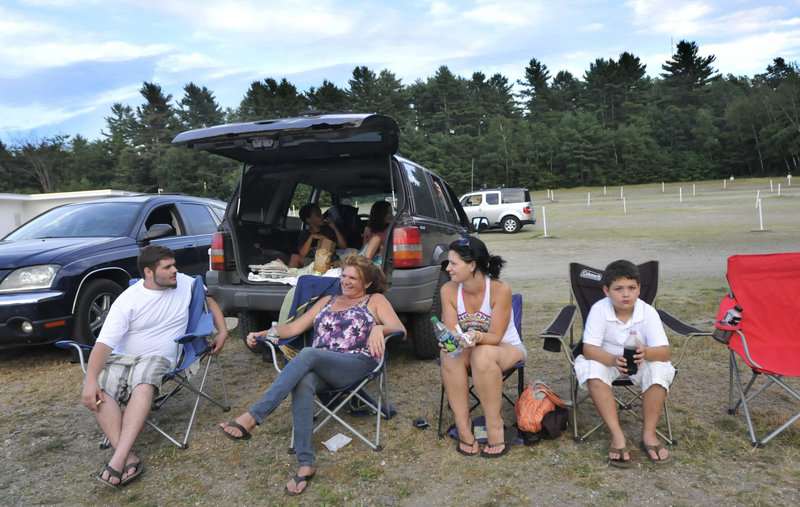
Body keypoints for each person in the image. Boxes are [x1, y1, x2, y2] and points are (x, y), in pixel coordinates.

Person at [219, 255, 406, 495]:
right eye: (344, 276)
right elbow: (294, 328)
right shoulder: (327, 300)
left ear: (367, 283)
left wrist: (380, 327)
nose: (346, 282)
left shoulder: (375, 300)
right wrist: (263, 333)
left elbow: (401, 331)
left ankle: (253, 417)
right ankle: (305, 464)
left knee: (308, 354)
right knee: (304, 380)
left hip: (358, 363)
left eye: (353, 278)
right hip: (322, 365)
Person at [81, 245, 229, 488]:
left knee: (144, 382)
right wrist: (90, 379)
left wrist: (222, 332)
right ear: (149, 272)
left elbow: (210, 301)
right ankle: (128, 457)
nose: (175, 270)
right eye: (168, 267)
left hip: (159, 358)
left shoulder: (185, 282)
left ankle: (118, 459)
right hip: (121, 357)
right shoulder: (127, 301)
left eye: (174, 264)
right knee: (102, 389)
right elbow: (104, 344)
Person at [573, 259, 675, 467]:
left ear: (639, 289)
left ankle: (649, 434)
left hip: (640, 360)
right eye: (618, 289)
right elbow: (589, 349)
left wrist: (646, 353)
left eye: (631, 288)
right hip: (606, 359)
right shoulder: (599, 310)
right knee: (592, 369)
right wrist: (611, 360)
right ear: (606, 291)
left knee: (659, 370)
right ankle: (617, 435)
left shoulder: (648, 312)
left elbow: (665, 352)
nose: (625, 294)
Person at [439, 236, 526, 458]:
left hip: (505, 347)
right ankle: (464, 426)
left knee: (483, 353)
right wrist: (450, 340)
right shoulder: (448, 290)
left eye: (453, 263)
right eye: (448, 263)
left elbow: (496, 336)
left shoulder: (499, 289)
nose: (448, 268)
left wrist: (475, 336)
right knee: (449, 354)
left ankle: (494, 425)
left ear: (472, 265)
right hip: (469, 348)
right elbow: (453, 332)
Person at [288, 203, 347, 268]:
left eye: (321, 214)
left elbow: (343, 246)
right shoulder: (304, 234)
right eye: (318, 215)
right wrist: (312, 237)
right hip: (312, 261)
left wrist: (335, 228)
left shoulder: (328, 230)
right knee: (294, 257)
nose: (322, 216)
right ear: (308, 220)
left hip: (328, 261)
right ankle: (290, 277)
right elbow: (302, 254)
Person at [359, 200, 393, 266]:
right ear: (380, 214)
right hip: (366, 259)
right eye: (389, 213)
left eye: (391, 212)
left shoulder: (392, 229)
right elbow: (363, 249)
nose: (392, 215)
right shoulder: (369, 230)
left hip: (377, 260)